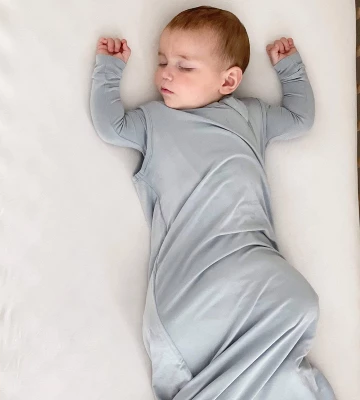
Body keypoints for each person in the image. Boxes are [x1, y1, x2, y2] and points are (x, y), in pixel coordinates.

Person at [90, 5, 336, 400]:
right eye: (162, 61)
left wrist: (291, 70)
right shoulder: (155, 120)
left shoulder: (250, 116)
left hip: (247, 262)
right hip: (190, 277)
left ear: (228, 80)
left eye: (184, 66)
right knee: (298, 303)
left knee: (299, 303)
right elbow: (111, 126)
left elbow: (299, 119)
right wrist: (109, 71)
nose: (166, 74)